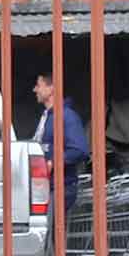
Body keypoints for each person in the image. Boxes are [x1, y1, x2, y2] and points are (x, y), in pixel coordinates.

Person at [32, 72, 91, 214]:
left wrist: (53, 162)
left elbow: (80, 150)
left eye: (38, 85)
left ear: (51, 88)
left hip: (60, 188)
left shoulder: (67, 117)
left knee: (53, 233)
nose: (35, 90)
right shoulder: (48, 116)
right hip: (47, 186)